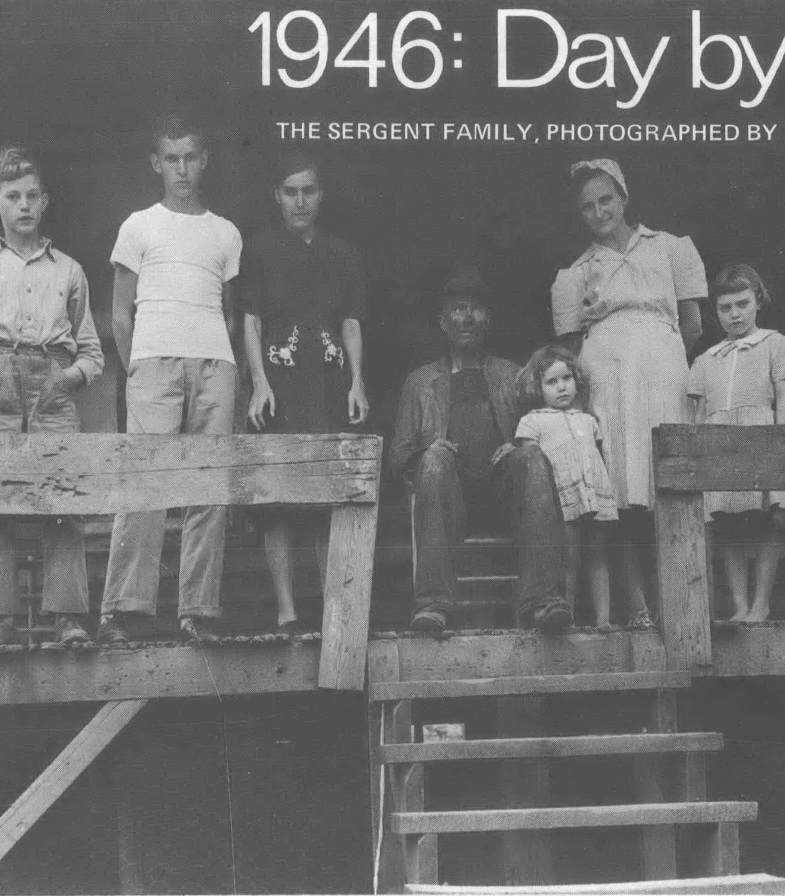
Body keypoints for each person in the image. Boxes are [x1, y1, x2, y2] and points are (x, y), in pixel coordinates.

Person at [0, 147, 103, 646]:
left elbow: (93, 353)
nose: (24, 205)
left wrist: (67, 379)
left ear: (45, 201)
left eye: (33, 195)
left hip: (53, 387)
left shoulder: (69, 270)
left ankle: (68, 619)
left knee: (63, 502)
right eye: (13, 196)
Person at [98, 114, 243, 645]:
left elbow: (230, 313)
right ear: (157, 163)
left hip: (213, 365)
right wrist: (138, 365)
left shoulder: (225, 232)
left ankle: (197, 610)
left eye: (191, 157)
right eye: (172, 159)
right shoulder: (138, 225)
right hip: (154, 362)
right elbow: (119, 313)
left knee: (209, 485)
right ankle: (125, 609)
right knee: (145, 480)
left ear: (204, 161)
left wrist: (221, 361)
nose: (182, 169)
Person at [551, 158, 706, 627]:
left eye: (606, 200)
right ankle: (637, 608)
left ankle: (679, 603)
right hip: (608, 377)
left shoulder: (672, 249)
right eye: (588, 207)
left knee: (669, 482)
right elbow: (573, 354)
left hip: (662, 368)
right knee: (621, 490)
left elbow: (694, 325)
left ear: (623, 197)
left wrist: (654, 350)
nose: (600, 212)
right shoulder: (574, 275)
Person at [390, 267, 570, 636]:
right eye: (458, 309)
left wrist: (521, 443)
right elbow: (397, 455)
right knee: (435, 461)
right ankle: (435, 606)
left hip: (503, 494)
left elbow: (551, 431)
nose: (467, 317)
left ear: (488, 320)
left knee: (533, 457)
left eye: (476, 309)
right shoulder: (420, 382)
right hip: (448, 497)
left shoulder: (512, 375)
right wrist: (426, 452)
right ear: (443, 322)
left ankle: (542, 602)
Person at [243, 153, 369, 633]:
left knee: (328, 495)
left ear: (321, 195)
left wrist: (357, 382)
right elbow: (250, 320)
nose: (300, 201)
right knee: (278, 497)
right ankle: (287, 610)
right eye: (290, 191)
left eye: (308, 191)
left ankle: (333, 610)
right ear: (277, 195)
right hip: (280, 381)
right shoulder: (259, 250)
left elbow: (351, 321)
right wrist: (258, 383)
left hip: (330, 378)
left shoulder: (343, 253)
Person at [688, 264, 785, 623]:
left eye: (742, 304)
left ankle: (761, 603)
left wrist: (779, 438)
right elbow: (700, 411)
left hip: (759, 436)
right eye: (725, 307)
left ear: (758, 302)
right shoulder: (706, 360)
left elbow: (783, 392)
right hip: (720, 443)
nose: (734, 314)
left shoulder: (775, 344)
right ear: (715, 311)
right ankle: (739, 605)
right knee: (728, 525)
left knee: (765, 521)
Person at [515, 346, 616, 628]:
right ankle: (565, 616)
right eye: (552, 382)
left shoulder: (588, 420)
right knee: (568, 559)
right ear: (538, 387)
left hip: (594, 495)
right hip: (561, 497)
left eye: (567, 378)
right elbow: (529, 465)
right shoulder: (532, 422)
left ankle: (603, 621)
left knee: (597, 555)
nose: (561, 387)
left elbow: (598, 457)